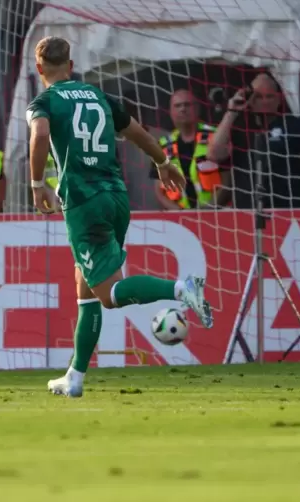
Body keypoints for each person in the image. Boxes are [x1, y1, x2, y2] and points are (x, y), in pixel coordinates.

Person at [25, 36, 214, 398]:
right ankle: (75, 377)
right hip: (116, 196)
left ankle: (180, 288)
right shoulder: (98, 96)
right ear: (72, 64)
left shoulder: (43, 101)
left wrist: (37, 184)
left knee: (109, 294)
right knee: (86, 289)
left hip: (83, 202)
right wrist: (162, 162)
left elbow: (41, 132)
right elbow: (136, 131)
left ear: (39, 69)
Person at [207, 72, 300, 209]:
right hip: (246, 213)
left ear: (279, 99)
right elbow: (213, 154)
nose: (264, 101)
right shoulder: (238, 128)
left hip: (288, 211)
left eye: (269, 96)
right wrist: (231, 112)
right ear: (249, 99)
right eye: (258, 97)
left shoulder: (295, 125)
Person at [151, 90, 227, 209]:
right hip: (180, 218)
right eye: (178, 106)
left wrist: (208, 210)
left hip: (217, 215)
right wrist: (179, 213)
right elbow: (159, 190)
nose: (182, 109)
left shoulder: (216, 136)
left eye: (187, 105)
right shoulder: (162, 145)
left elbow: (228, 180)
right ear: (170, 112)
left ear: (197, 109)